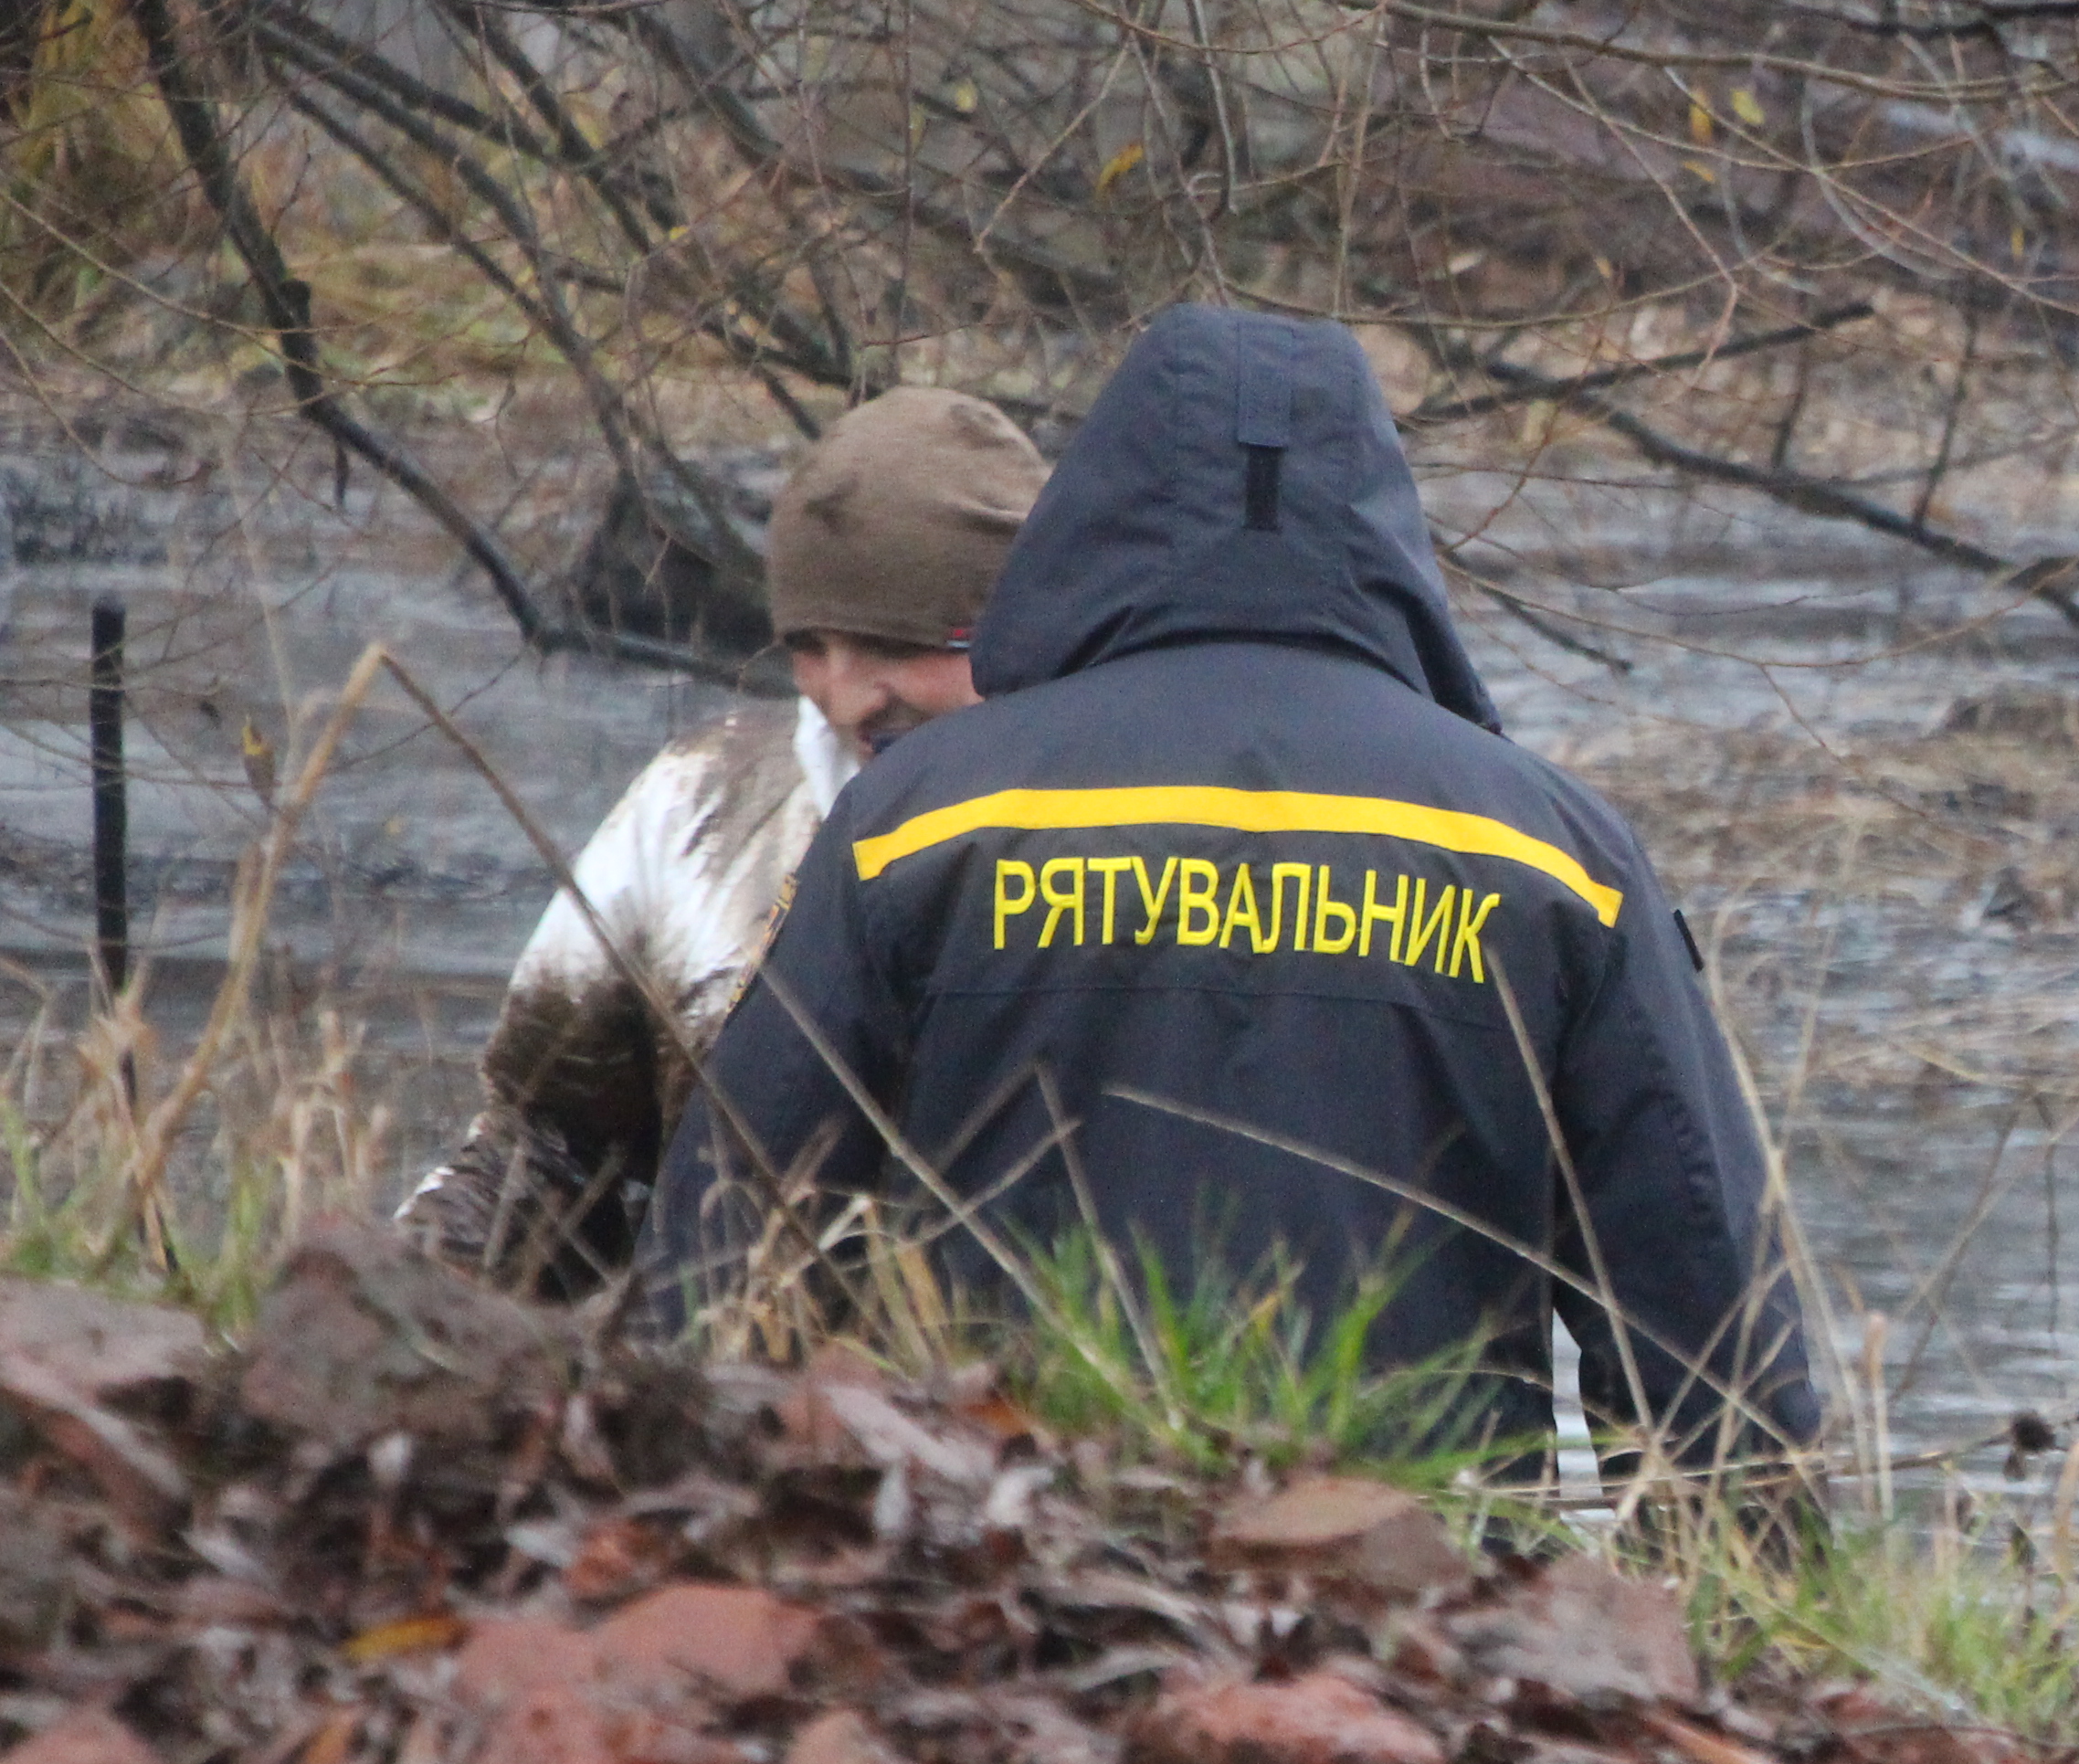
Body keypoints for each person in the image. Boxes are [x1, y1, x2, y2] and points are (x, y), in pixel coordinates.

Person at [649, 306, 1814, 1474]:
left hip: (1017, 1576)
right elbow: (1708, 1333)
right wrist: (1739, 1626)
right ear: (1380, 524)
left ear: (1098, 514)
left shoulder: (925, 819)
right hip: (1429, 1605)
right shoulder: (1554, 853)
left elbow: (733, 1239)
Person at [404, 389, 1046, 1294]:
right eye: (811, 644)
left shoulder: (1165, 823)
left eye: (897, 643)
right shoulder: (694, 803)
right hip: (736, 1399)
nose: (848, 694)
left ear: (1029, 627)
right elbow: (542, 1148)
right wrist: (391, 1303)